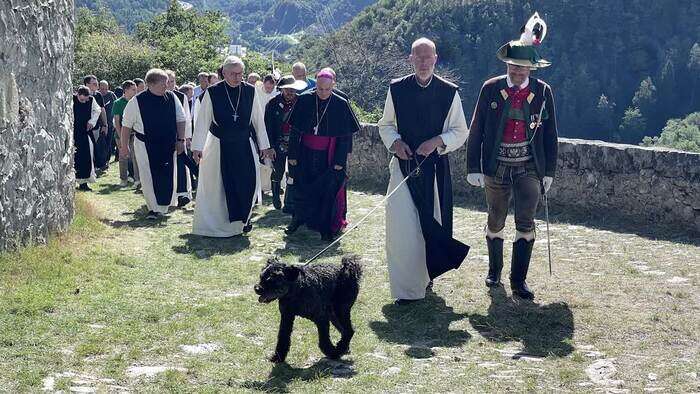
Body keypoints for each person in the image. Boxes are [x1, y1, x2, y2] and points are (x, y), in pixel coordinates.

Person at [466, 13, 558, 300]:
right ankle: (494, 272)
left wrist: (549, 172)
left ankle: (519, 281)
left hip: (529, 167)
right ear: (507, 64)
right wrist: (473, 166)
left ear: (531, 67)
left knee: (526, 221)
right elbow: (477, 127)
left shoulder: (543, 92)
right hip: (495, 166)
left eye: (523, 66)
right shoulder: (490, 88)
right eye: (514, 66)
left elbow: (550, 135)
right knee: (495, 218)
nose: (518, 71)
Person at [378, 38, 470, 304]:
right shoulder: (397, 89)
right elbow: (385, 124)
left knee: (428, 225)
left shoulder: (448, 92)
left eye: (427, 57)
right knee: (403, 228)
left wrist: (437, 142)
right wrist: (395, 142)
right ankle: (406, 290)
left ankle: (426, 278)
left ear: (435, 59)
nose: (423, 62)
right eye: (418, 57)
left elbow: (459, 130)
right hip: (403, 169)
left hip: (433, 169)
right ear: (410, 59)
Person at [191, 56, 275, 237]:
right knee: (218, 186)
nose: (238, 78)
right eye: (234, 74)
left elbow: (258, 121)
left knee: (247, 182)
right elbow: (202, 121)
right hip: (218, 145)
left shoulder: (250, 91)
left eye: (241, 74)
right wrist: (197, 147)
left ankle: (243, 220)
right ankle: (219, 224)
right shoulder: (213, 92)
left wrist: (265, 146)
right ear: (225, 73)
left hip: (244, 144)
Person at [285, 68, 360, 241]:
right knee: (301, 187)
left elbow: (345, 136)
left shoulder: (340, 104)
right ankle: (297, 219)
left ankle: (325, 227)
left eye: (327, 89)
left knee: (327, 190)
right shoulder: (304, 100)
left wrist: (340, 161)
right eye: (320, 89)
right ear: (315, 85)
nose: (323, 93)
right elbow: (295, 131)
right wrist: (293, 155)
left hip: (329, 155)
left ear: (333, 85)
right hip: (305, 153)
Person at [121, 68, 188, 219]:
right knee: (148, 176)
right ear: (151, 84)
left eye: (168, 83)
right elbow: (126, 126)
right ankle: (153, 208)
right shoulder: (136, 102)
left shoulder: (171, 97)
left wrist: (181, 140)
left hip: (168, 144)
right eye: (164, 83)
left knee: (167, 174)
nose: (167, 86)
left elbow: (181, 119)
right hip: (145, 145)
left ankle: (163, 205)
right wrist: (124, 146)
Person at [264, 75, 307, 210]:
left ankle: (290, 200)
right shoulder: (272, 104)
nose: (290, 92)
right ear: (282, 89)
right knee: (278, 170)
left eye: (293, 90)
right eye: (287, 89)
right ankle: (276, 196)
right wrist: (269, 147)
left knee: (294, 171)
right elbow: (268, 127)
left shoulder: (301, 103)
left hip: (297, 143)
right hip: (278, 143)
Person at [165, 69, 195, 207]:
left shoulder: (181, 96)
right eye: (168, 81)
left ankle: (182, 194)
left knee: (181, 165)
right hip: (164, 137)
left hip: (179, 137)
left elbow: (187, 118)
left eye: (173, 81)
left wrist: (186, 138)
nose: (171, 84)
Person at [73, 85, 102, 191]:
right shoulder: (72, 99)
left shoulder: (91, 100)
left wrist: (92, 122)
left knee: (86, 156)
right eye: (82, 99)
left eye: (85, 99)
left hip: (85, 132)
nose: (84, 102)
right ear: (78, 95)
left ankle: (83, 183)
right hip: (74, 132)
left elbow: (97, 110)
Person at [113, 80, 138, 187]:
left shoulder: (135, 102)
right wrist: (122, 137)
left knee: (135, 156)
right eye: (133, 89)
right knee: (123, 156)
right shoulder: (118, 103)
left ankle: (137, 180)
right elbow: (117, 122)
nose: (135, 92)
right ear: (126, 90)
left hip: (134, 134)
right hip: (121, 133)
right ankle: (123, 179)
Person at [84, 75, 108, 167]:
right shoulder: (80, 94)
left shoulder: (98, 95)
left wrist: (105, 125)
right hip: (82, 127)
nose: (97, 86)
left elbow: (102, 110)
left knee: (94, 147)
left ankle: (94, 167)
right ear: (87, 84)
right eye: (94, 84)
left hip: (95, 127)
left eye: (97, 84)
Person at [98, 80, 118, 167]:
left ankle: (106, 161)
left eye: (106, 89)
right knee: (101, 143)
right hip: (99, 124)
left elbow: (116, 107)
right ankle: (100, 161)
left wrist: (115, 122)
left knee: (108, 142)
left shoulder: (111, 95)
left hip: (110, 123)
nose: (104, 91)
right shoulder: (97, 96)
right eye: (102, 89)